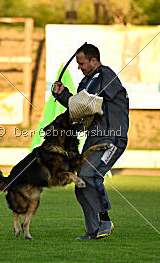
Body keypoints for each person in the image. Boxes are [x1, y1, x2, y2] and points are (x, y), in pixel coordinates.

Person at [53, 43, 129, 240]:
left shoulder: (105, 75)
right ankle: (92, 231)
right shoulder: (86, 83)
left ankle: (105, 219)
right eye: (77, 64)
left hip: (112, 138)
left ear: (94, 60)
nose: (79, 67)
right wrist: (62, 95)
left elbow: (85, 102)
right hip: (93, 139)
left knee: (89, 175)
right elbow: (77, 110)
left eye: (82, 63)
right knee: (81, 184)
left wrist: (65, 96)